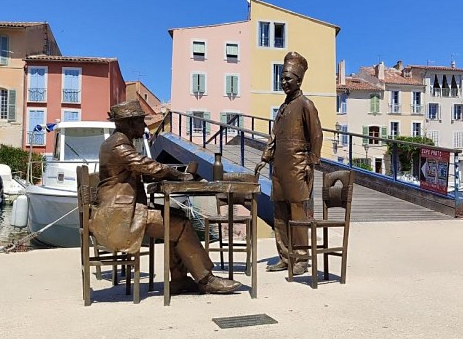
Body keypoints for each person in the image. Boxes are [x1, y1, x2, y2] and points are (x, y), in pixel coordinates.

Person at [90, 100, 241, 294]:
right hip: (119, 217)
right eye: (140, 121)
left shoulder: (116, 143)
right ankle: (206, 279)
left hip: (120, 212)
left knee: (176, 218)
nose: (144, 126)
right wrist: (179, 175)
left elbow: (137, 170)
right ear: (129, 123)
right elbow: (149, 165)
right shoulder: (118, 145)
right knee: (180, 224)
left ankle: (179, 280)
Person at [257, 52, 323, 275]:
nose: (284, 83)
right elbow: (274, 136)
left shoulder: (306, 105)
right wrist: (265, 157)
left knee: (298, 213)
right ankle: (285, 256)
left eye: (288, 79)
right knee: (279, 213)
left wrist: (310, 163)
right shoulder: (283, 108)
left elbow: (316, 136)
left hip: (297, 167)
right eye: (282, 79)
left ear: (299, 80)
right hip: (279, 168)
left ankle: (302, 258)